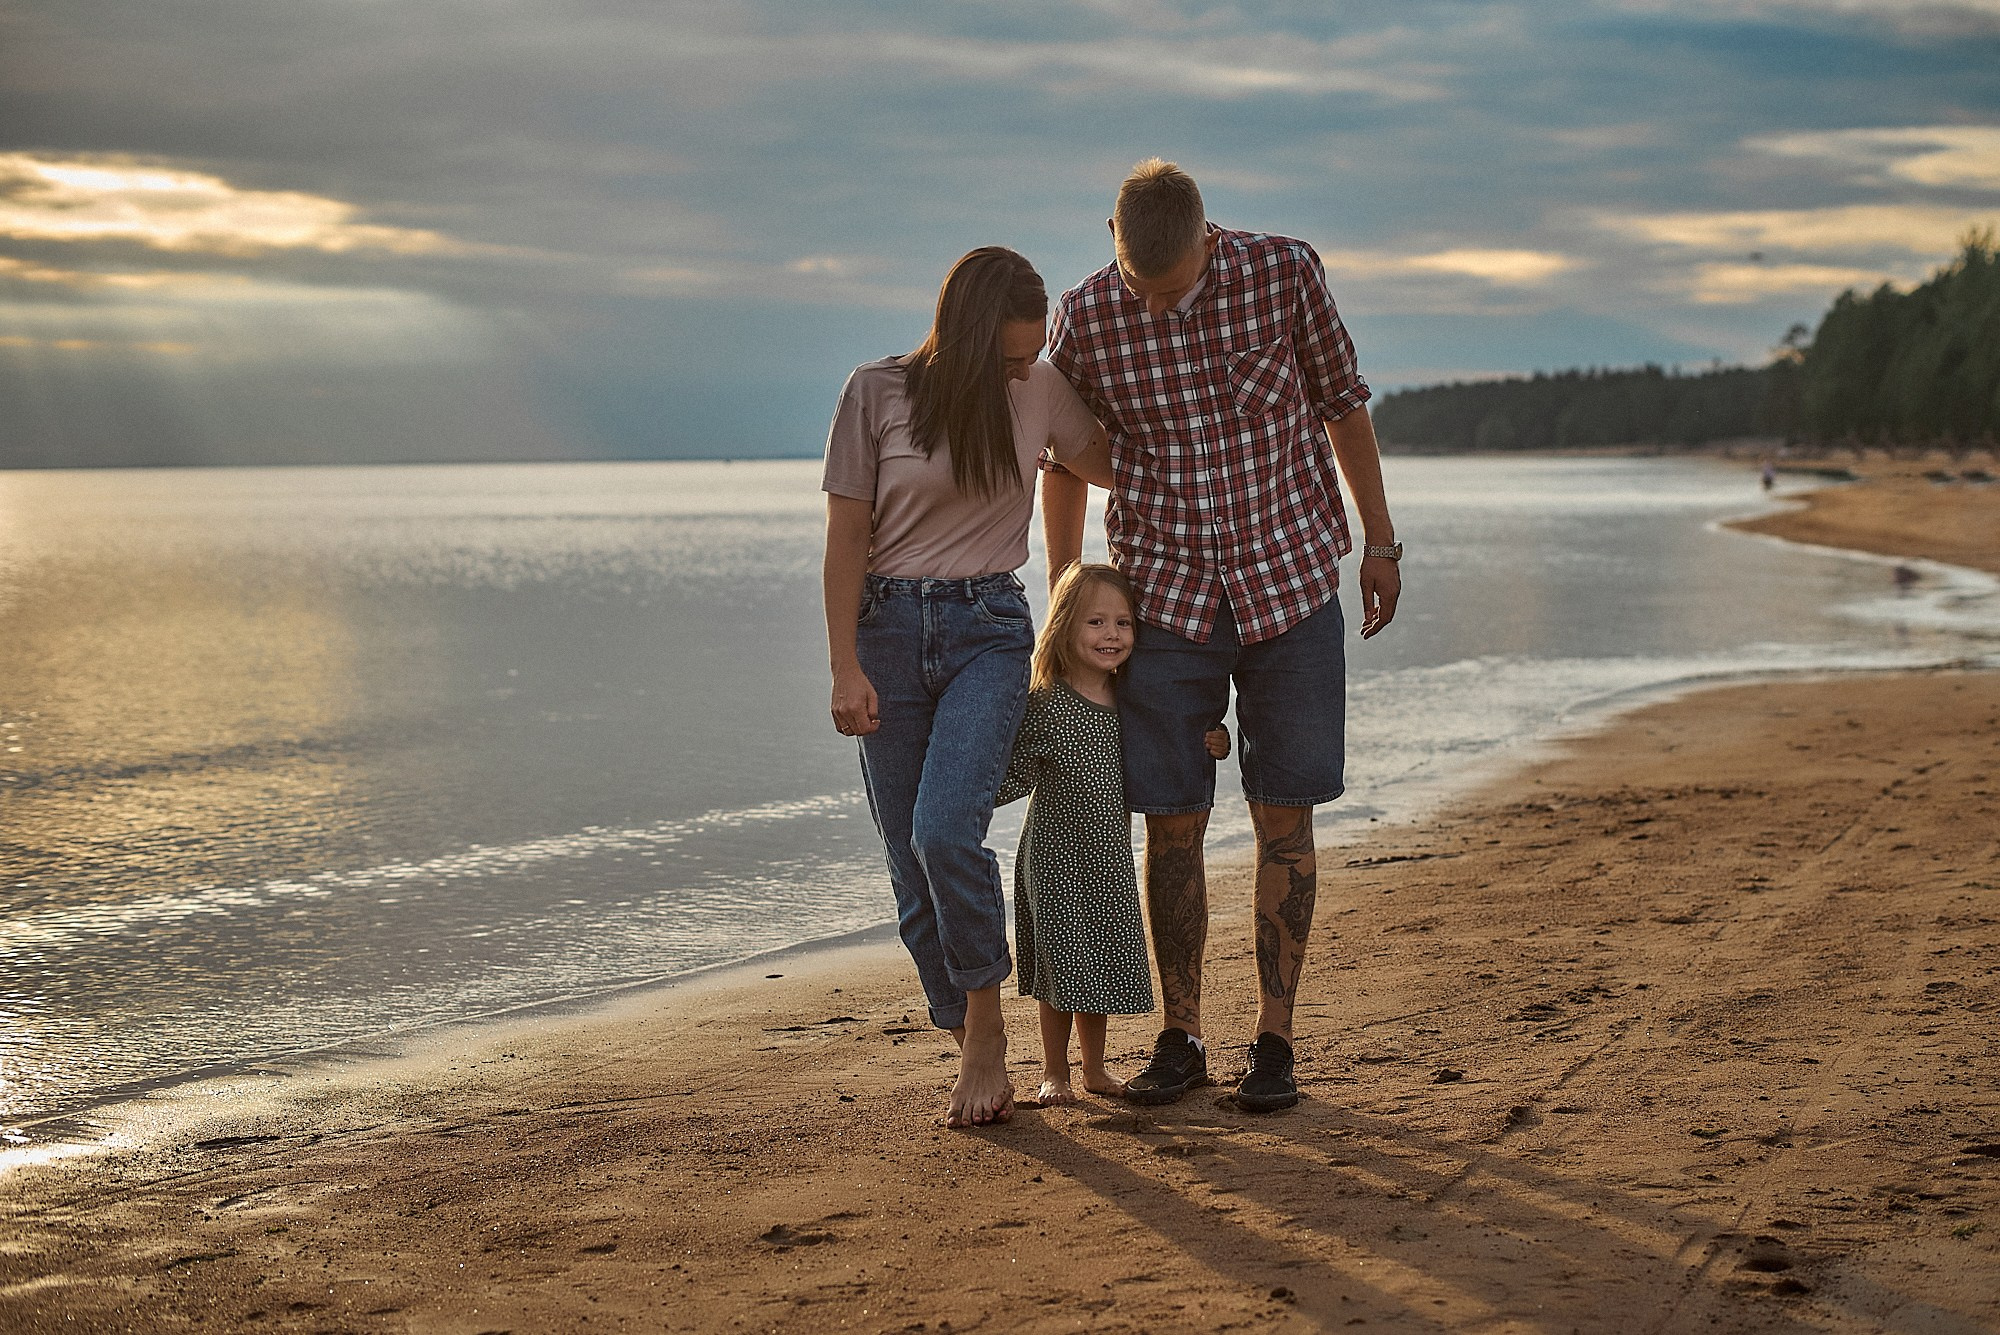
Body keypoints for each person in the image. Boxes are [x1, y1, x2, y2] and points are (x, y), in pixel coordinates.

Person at [1042, 158, 1403, 1113]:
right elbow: (1061, 459)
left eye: (1173, 288)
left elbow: (1343, 404)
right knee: (1170, 819)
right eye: (1140, 287)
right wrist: (1067, 592)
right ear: (1112, 243)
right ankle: (1183, 1034)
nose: (1156, 308)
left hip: (1290, 586)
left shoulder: (1285, 272)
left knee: (1285, 814)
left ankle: (1275, 1040)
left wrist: (1380, 541)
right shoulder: (1086, 317)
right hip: (1164, 599)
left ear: (1210, 239)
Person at [821, 246, 1105, 1128]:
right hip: (886, 632)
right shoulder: (875, 392)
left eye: (1033, 354)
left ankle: (986, 1026)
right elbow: (845, 538)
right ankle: (961, 1020)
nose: (1023, 370)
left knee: (945, 830)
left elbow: (1114, 462)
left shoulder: (1040, 389)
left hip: (988, 629)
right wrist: (843, 664)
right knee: (909, 863)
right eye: (1010, 356)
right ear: (967, 336)